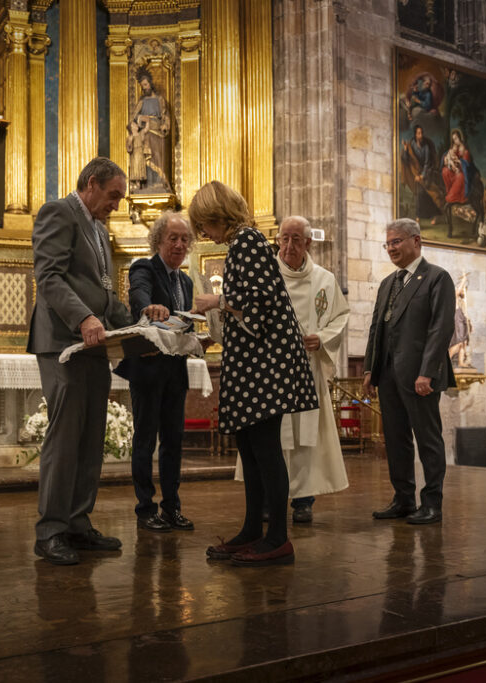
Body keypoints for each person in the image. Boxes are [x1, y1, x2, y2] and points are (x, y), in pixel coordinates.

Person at [192, 181, 318, 567]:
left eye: (204, 224)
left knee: (265, 449)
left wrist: (217, 300)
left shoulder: (247, 241)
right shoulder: (243, 243)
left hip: (266, 363)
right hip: (254, 362)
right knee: (249, 448)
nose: (204, 234)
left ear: (217, 215)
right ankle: (251, 530)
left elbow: (260, 300)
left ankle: (277, 538)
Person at [27, 156, 134, 565]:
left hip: (94, 345)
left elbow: (104, 294)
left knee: (90, 438)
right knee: (66, 436)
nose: (116, 205)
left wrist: (140, 321)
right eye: (113, 195)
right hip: (63, 342)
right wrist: (83, 317)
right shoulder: (59, 212)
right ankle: (50, 531)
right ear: (91, 184)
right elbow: (49, 276)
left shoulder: (99, 230)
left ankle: (77, 523)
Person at [363, 218, 455, 525]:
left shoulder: (437, 278)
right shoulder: (387, 284)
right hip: (388, 375)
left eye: (396, 242)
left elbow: (441, 329)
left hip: (419, 377)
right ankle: (403, 499)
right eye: (388, 243)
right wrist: (370, 369)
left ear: (416, 241)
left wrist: (427, 372)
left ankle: (432, 504)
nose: (391, 248)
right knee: (395, 439)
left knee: (428, 439)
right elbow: (376, 328)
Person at [115, 211, 195, 533]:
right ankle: (145, 508)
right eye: (172, 238)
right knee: (146, 440)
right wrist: (148, 307)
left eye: (184, 239)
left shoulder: (186, 281)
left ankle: (172, 507)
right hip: (147, 369)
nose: (179, 245)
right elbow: (139, 296)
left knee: (174, 441)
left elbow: (185, 322)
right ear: (158, 241)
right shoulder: (144, 268)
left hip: (176, 371)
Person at [273, 216, 351, 523]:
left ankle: (303, 501)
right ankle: (269, 498)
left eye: (296, 239)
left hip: (307, 369)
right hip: (271, 371)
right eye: (285, 238)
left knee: (306, 436)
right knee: (272, 436)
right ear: (277, 240)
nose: (289, 245)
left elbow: (340, 317)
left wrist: (322, 338)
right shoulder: (266, 276)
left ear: (308, 243)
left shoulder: (324, 280)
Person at [130, 69, 171, 192]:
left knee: (158, 157)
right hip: (146, 133)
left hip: (157, 132)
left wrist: (165, 125)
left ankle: (160, 183)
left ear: (150, 84)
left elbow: (165, 115)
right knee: (147, 157)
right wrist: (141, 118)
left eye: (146, 84)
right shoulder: (142, 102)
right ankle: (148, 184)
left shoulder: (160, 100)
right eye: (142, 86)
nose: (145, 88)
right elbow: (133, 119)